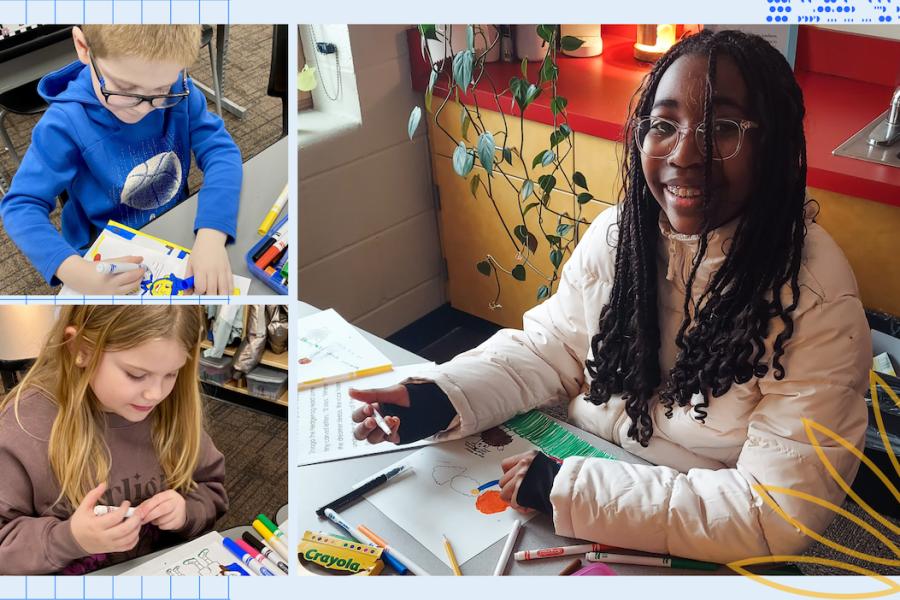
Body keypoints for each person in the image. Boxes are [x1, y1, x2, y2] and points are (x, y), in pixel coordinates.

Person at [350, 29, 871, 563]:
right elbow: (550, 349)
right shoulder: (623, 235)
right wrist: (443, 395)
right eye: (663, 125)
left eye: (723, 128)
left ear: (775, 145)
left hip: (705, 543)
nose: (685, 153)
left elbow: (774, 513)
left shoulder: (816, 299)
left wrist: (572, 490)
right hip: (582, 475)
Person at [0, 25, 241, 295]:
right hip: (100, 252)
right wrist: (74, 270)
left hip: (177, 230)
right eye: (125, 89)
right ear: (83, 46)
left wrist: (211, 234)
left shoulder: (179, 88)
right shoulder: (63, 123)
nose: (144, 107)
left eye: (161, 89)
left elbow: (221, 152)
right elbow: (21, 206)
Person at [0, 306, 227, 574]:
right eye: (136, 375)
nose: (155, 394)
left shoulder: (173, 411)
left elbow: (212, 491)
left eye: (171, 374)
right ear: (80, 349)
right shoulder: (24, 426)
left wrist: (186, 512)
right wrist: (69, 539)